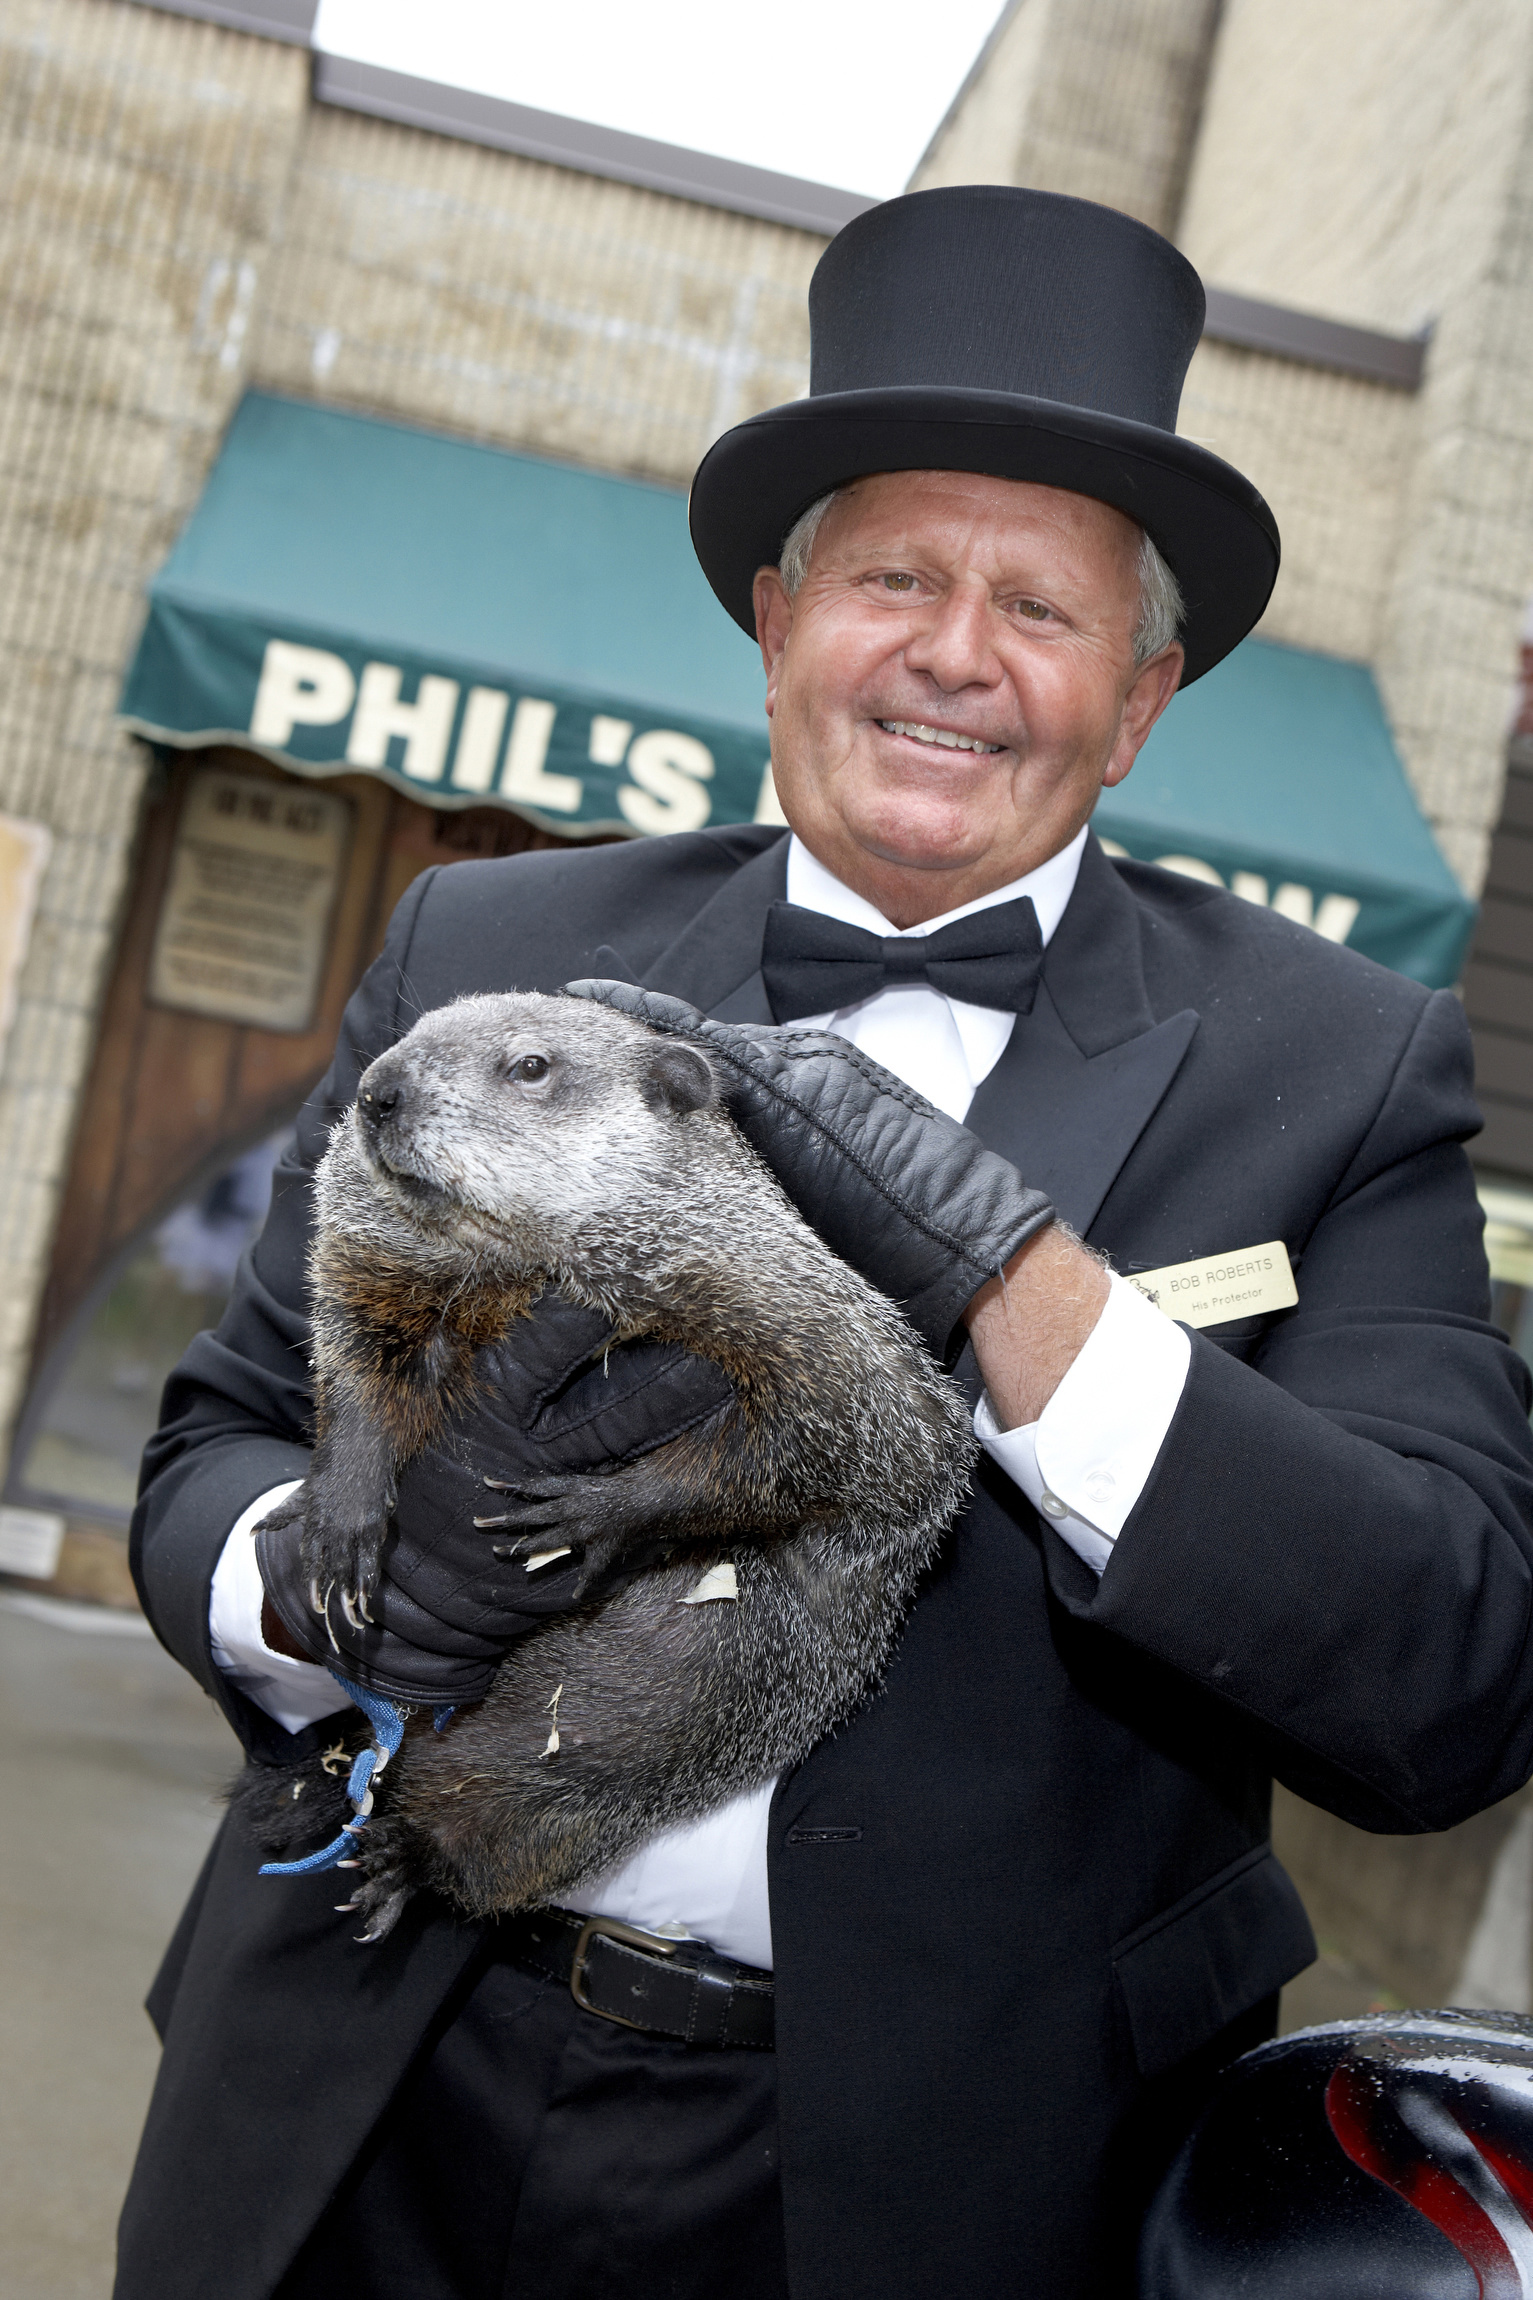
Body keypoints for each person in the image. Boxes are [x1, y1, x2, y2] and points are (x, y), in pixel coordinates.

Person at [117, 187, 1533, 2300]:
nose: (954, 653)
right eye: (893, 575)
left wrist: (1015, 1289)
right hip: (356, 2082)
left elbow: (1447, 1678)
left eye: (1037, 608)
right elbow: (208, 1441)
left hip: (926, 2193)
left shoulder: (1338, 1066)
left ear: (1137, 703)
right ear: (776, 618)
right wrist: (323, 1583)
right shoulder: (487, 942)